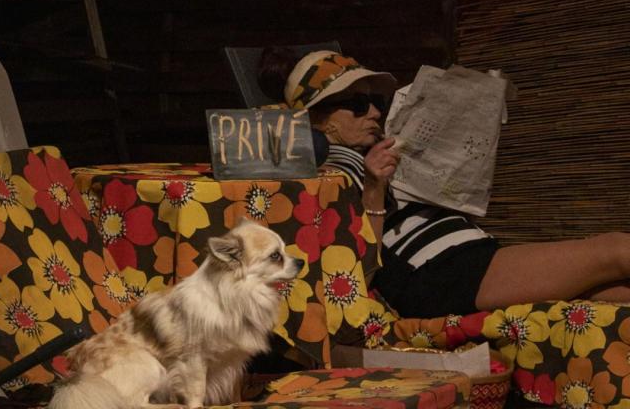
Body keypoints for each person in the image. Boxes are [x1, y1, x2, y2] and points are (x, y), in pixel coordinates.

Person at [258, 47, 630, 319]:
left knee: (613, 293)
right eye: (356, 104)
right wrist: (373, 187)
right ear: (320, 119)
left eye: (375, 102)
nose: (373, 112)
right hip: (433, 273)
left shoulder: (376, 151)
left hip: (464, 256)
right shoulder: (325, 170)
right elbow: (356, 269)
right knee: (614, 250)